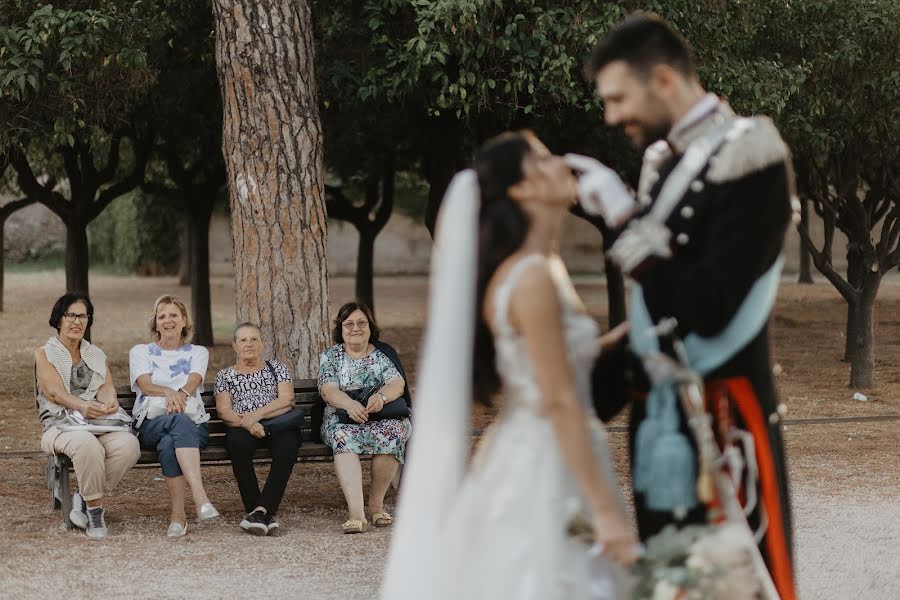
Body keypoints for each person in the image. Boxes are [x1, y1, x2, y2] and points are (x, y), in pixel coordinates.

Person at [573, 13, 797, 599]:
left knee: (747, 586)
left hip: (724, 417)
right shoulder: (661, 161)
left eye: (619, 97)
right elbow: (662, 306)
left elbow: (711, 306)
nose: (612, 116)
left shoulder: (752, 152)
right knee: (671, 589)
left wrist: (624, 220)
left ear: (664, 80)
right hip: (660, 424)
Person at [380, 131, 639, 600]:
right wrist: (604, 511)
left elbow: (566, 365)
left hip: (538, 446)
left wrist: (641, 334)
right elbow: (559, 399)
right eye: (542, 159)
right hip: (545, 460)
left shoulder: (545, 266)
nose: (562, 162)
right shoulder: (532, 276)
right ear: (520, 189)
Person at [35, 293, 140, 539]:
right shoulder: (44, 353)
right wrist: (82, 405)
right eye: (70, 315)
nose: (77, 321)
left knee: (129, 446)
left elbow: (106, 388)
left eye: (82, 316)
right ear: (58, 319)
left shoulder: (96, 355)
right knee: (87, 445)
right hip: (59, 426)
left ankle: (83, 496)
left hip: (96, 424)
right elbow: (54, 392)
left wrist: (110, 402)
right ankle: (95, 511)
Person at [129, 294, 219, 538]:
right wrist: (170, 393)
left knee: (171, 442)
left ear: (183, 321)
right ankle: (200, 497)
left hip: (192, 427)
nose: (167, 321)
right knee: (178, 422)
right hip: (151, 424)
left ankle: (178, 517)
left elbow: (194, 380)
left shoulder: (198, 352)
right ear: (156, 324)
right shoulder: (140, 352)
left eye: (173, 315)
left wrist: (180, 394)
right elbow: (145, 384)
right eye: (162, 316)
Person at [317, 301, 412, 533]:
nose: (355, 328)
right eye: (349, 324)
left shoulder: (381, 355)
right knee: (343, 437)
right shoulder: (331, 356)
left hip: (377, 416)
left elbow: (397, 383)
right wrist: (349, 404)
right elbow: (328, 389)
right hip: (342, 417)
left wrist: (381, 397)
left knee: (393, 431)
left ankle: (376, 505)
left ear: (370, 327)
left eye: (361, 323)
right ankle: (356, 514)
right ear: (341, 329)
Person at [214, 322, 298, 536]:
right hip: (242, 428)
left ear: (262, 344)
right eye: (243, 340)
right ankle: (260, 512)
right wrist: (250, 425)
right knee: (236, 444)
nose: (249, 344)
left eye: (254, 339)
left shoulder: (278, 368)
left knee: (288, 445)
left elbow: (287, 400)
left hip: (277, 424)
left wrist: (256, 416)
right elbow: (224, 411)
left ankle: (259, 511)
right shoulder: (225, 376)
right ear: (235, 346)